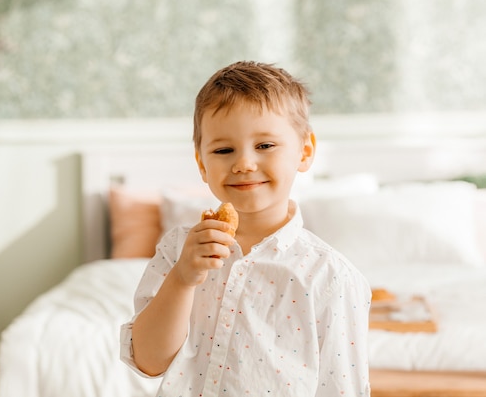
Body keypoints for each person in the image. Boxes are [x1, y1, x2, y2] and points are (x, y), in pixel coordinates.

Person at [120, 61, 371, 396]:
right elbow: (148, 361)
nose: (244, 164)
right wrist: (182, 278)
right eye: (224, 150)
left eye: (265, 146)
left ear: (305, 151)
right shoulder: (179, 250)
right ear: (202, 164)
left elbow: (342, 387)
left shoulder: (330, 277)